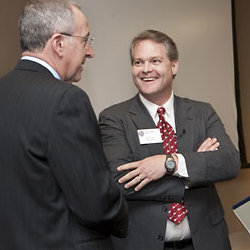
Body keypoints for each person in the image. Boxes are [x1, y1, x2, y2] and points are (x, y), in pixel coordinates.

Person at [0, 1, 128, 249]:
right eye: (85, 41)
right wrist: (125, 210)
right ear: (58, 44)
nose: (90, 52)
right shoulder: (66, 99)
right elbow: (96, 203)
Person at [99, 30, 240, 250]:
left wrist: (169, 163)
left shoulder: (202, 112)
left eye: (155, 60)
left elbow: (229, 163)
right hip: (143, 243)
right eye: (138, 62)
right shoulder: (114, 118)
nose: (146, 69)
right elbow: (120, 182)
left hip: (206, 240)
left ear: (173, 66)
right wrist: (194, 168)